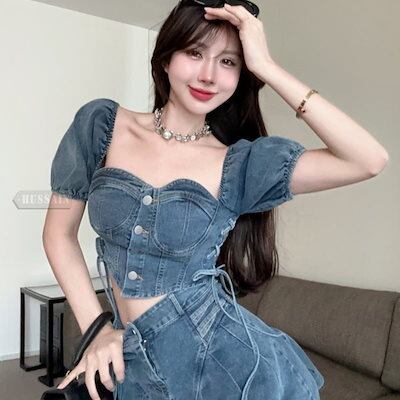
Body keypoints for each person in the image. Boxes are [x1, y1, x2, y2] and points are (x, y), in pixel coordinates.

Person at [42, 1, 389, 399]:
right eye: (194, 52)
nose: (208, 75)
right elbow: (59, 234)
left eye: (228, 62)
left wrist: (267, 67)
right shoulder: (102, 125)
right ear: (166, 58)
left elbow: (368, 159)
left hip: (229, 369)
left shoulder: (238, 165)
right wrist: (97, 330)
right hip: (131, 363)